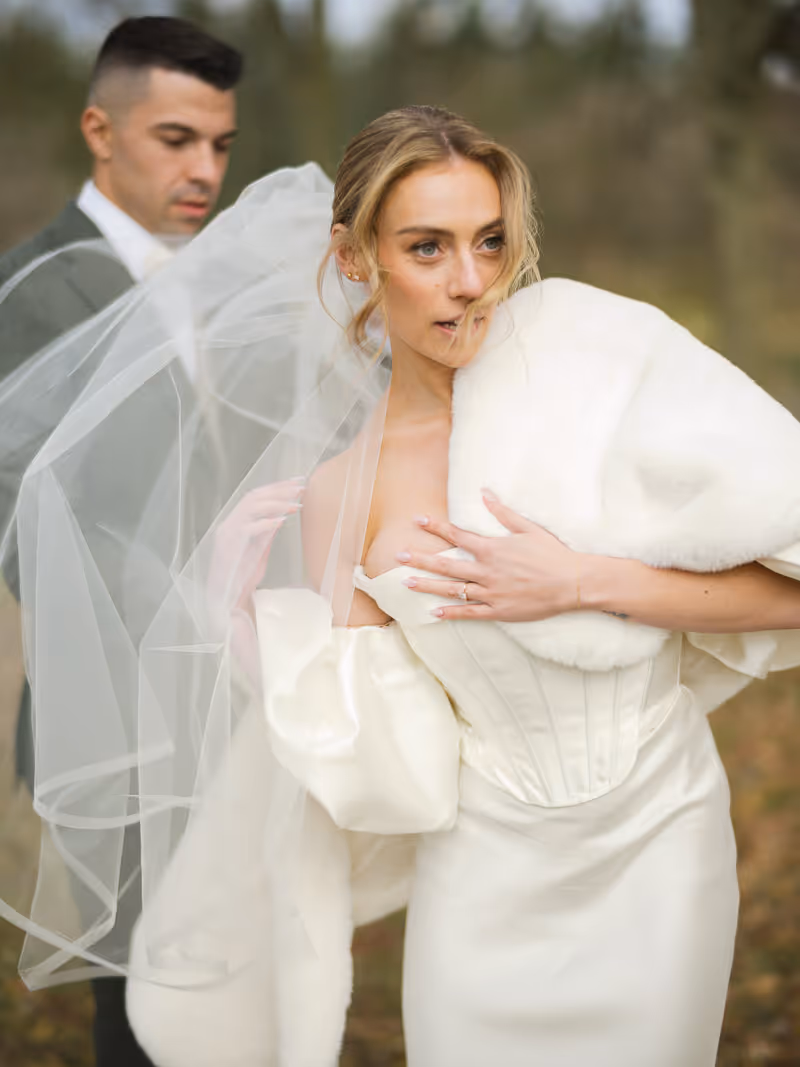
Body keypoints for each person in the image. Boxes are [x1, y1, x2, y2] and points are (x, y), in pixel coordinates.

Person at [2, 106, 800, 1067]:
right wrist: (245, 623)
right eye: (428, 248)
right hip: (484, 874)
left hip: (659, 843)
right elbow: (388, 771)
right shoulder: (344, 488)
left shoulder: (601, 358)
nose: (470, 282)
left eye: (490, 241)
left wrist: (581, 580)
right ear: (355, 259)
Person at [0, 16, 241, 1067]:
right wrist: (194, 605)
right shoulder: (31, 290)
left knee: (229, 975)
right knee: (143, 1000)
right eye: (176, 138)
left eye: (221, 145)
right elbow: (18, 519)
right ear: (101, 129)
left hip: (238, 694)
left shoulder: (223, 280)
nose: (204, 170)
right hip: (119, 710)